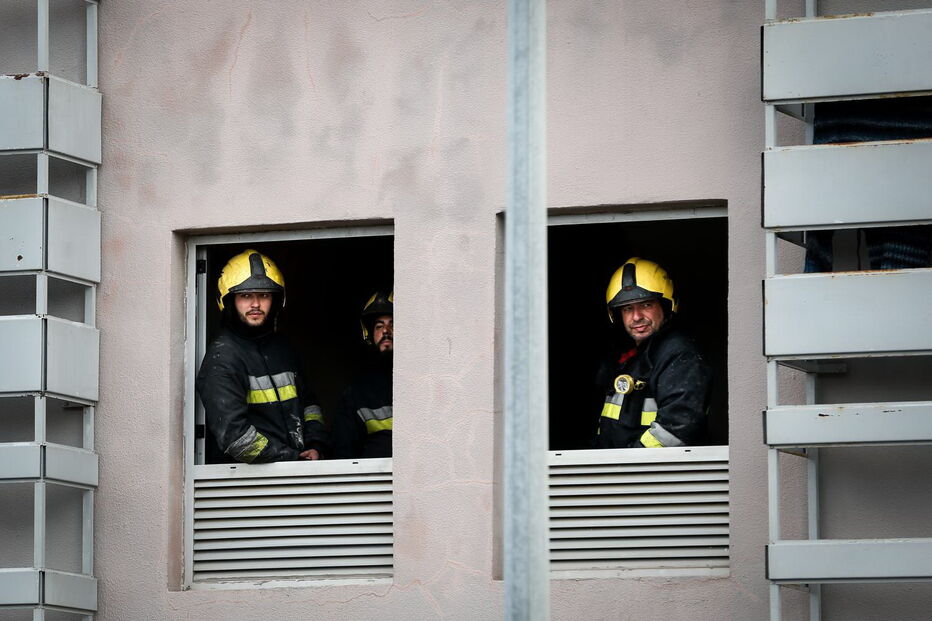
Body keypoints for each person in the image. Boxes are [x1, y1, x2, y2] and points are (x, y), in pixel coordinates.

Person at [197, 249, 327, 463]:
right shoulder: (222, 357)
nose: (255, 304)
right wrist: (293, 458)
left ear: (275, 301)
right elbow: (236, 438)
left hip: (296, 473)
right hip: (248, 485)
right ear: (229, 301)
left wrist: (315, 444)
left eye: (264, 295)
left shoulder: (283, 348)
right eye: (245, 296)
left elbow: (309, 405)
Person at [595, 258, 711, 449]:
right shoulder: (631, 358)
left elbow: (678, 427)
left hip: (655, 475)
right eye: (628, 308)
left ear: (665, 307)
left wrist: (630, 466)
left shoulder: (679, 355)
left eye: (646, 305)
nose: (637, 316)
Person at [332, 290, 393, 459]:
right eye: (379, 326)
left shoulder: (423, 381)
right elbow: (343, 450)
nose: (386, 331)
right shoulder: (358, 391)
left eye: (392, 324)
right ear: (370, 334)